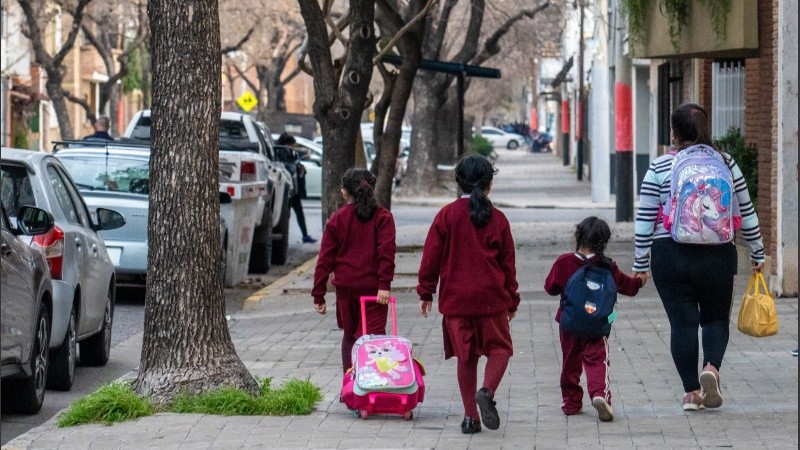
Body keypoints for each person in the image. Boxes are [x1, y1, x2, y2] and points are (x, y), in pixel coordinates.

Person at [633, 102, 765, 411]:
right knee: (716, 318)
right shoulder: (726, 162)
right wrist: (757, 252)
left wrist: (640, 264)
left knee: (683, 324)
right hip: (718, 254)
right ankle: (712, 368)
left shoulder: (659, 167)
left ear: (673, 133)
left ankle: (691, 393)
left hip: (670, 254)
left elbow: (645, 219)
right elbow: (746, 212)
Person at [417, 154, 519, 434]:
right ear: (489, 184)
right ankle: (486, 391)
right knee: (500, 349)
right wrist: (512, 298)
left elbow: (431, 258)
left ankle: (470, 418)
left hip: (456, 302)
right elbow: (508, 265)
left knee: (466, 357)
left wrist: (426, 292)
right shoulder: (498, 219)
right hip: (491, 299)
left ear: (457, 182)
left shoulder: (446, 216)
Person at [544, 217, 647, 422]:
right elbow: (628, 287)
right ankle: (600, 394)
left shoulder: (564, 262)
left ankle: (572, 402)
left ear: (578, 236)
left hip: (570, 324)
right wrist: (640, 280)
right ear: (604, 242)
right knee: (597, 360)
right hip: (597, 324)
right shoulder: (608, 266)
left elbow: (550, 288)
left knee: (569, 362)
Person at [312, 168, 396, 373]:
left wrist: (319, 293)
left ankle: (350, 386)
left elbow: (325, 259)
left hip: (346, 289)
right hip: (375, 290)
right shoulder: (383, 217)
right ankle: (373, 383)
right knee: (374, 337)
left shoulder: (338, 219)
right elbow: (387, 254)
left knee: (349, 336)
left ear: (344, 192)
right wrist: (384, 285)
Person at [276, 133, 316, 243]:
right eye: (291, 145)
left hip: (293, 188)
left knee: (296, 213)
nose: (293, 147)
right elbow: (289, 168)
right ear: (287, 144)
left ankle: (303, 235)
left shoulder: (291, 154)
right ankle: (302, 235)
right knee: (293, 213)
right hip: (289, 188)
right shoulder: (283, 153)